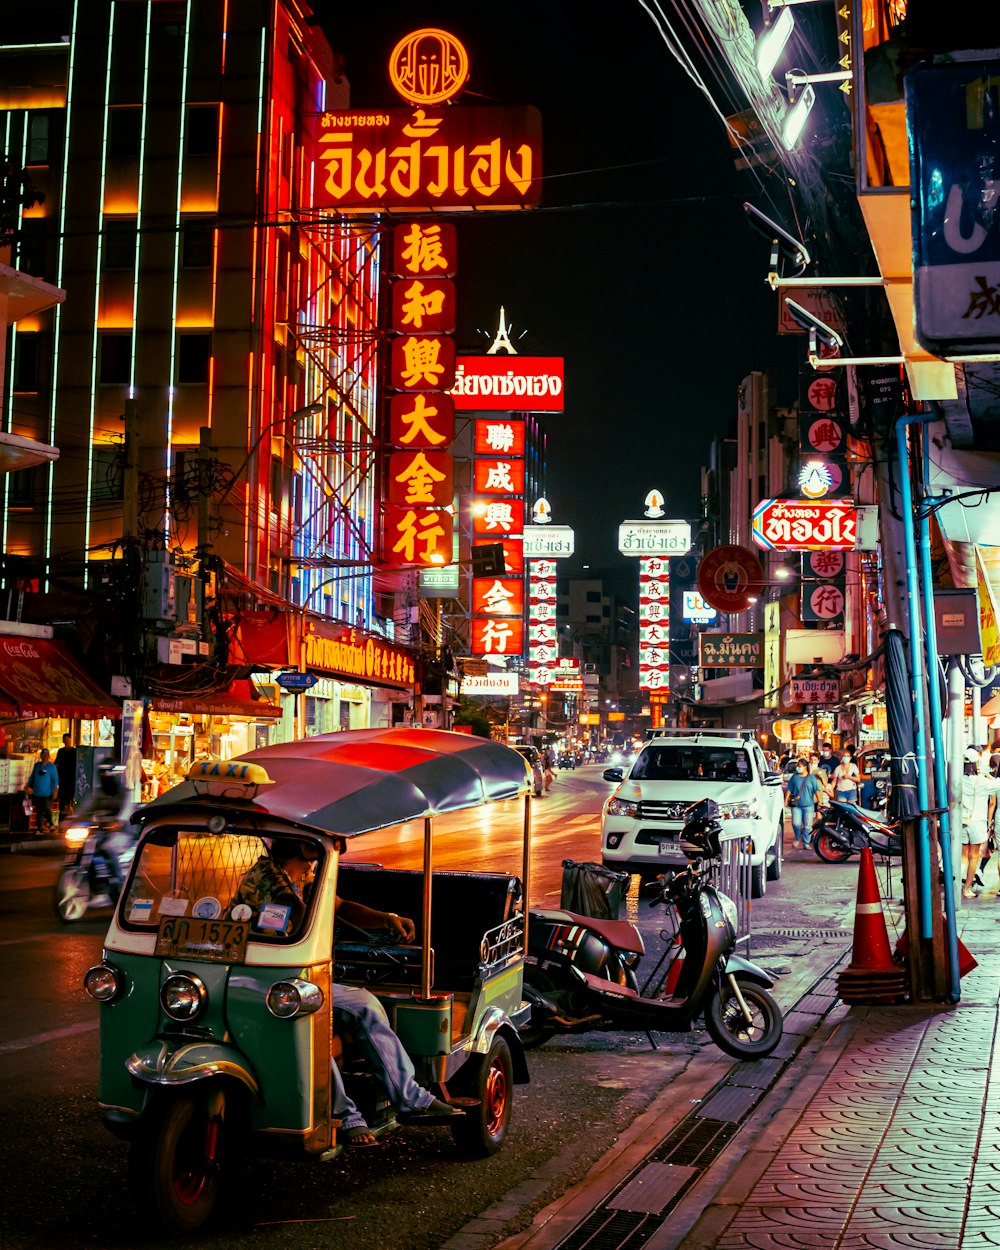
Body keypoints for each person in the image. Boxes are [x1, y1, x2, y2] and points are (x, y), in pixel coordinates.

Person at [229, 838, 460, 1146]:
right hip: (261, 981)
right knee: (331, 1018)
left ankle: (407, 1099)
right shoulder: (267, 877)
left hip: (290, 978)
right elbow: (300, 916)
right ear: (306, 848)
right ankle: (356, 1114)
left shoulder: (301, 876)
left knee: (362, 1004)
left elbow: (339, 907)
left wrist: (385, 918)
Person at [961, 755, 1000, 899]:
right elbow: (998, 784)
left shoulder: (959, 780)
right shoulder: (982, 781)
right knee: (974, 857)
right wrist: (986, 774)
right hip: (977, 824)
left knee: (963, 857)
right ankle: (967, 889)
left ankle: (956, 885)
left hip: (962, 822)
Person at [785, 757, 823, 850]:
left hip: (808, 805)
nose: (798, 767)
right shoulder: (794, 777)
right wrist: (785, 800)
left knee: (807, 825)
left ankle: (806, 842)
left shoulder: (811, 778)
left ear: (805, 767)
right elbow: (789, 789)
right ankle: (798, 837)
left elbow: (816, 790)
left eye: (799, 766)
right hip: (796, 805)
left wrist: (819, 801)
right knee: (796, 823)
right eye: (797, 766)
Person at [25, 748, 59, 835]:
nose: (45, 756)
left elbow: (55, 780)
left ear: (48, 756)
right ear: (41, 756)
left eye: (46, 754)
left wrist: (55, 791)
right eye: (43, 754)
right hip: (37, 792)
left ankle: (51, 824)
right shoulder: (37, 765)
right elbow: (32, 776)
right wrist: (28, 785)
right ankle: (40, 829)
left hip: (47, 793)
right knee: (39, 811)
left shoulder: (52, 767)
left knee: (47, 809)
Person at [54, 733, 77, 820]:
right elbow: (57, 763)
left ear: (70, 740)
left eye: (68, 739)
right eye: (65, 739)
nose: (67, 741)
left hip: (72, 778)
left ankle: (70, 812)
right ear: (63, 741)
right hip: (62, 778)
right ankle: (63, 815)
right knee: (62, 797)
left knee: (71, 797)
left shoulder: (74, 751)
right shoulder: (61, 751)